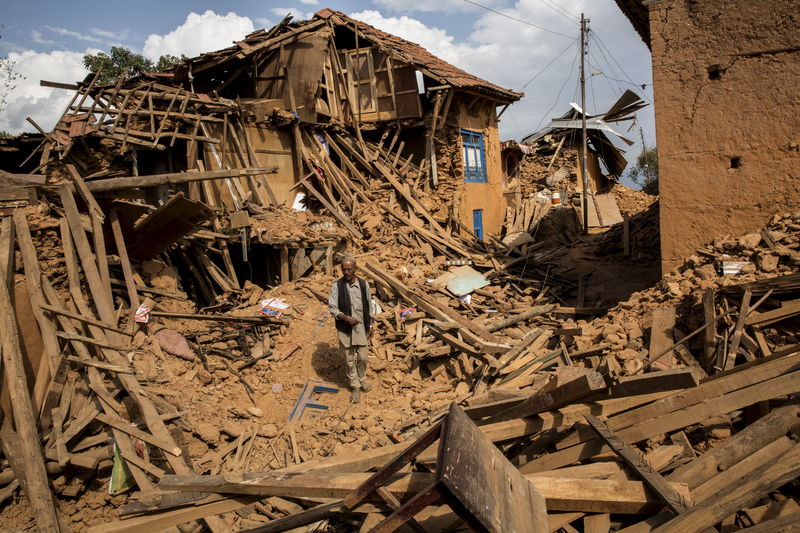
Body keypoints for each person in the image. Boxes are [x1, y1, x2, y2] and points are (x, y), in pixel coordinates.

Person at [328, 257, 372, 403]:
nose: (346, 272)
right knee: (349, 360)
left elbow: (369, 307)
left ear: (355, 269)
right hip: (345, 328)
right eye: (344, 269)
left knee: (363, 357)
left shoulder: (364, 285)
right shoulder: (337, 286)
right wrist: (346, 318)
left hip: (361, 327)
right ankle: (355, 387)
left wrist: (370, 325)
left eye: (349, 269)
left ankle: (362, 379)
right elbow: (333, 308)